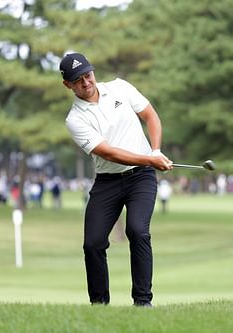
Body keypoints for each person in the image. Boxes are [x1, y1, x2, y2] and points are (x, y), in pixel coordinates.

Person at [60, 52, 173, 307]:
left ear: (93, 71)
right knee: (93, 243)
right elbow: (109, 152)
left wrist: (154, 151)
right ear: (68, 85)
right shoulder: (75, 119)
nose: (86, 82)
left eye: (88, 75)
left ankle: (143, 303)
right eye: (78, 80)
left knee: (137, 230)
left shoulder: (120, 88)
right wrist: (150, 160)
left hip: (141, 179)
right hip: (108, 182)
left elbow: (151, 116)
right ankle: (100, 306)